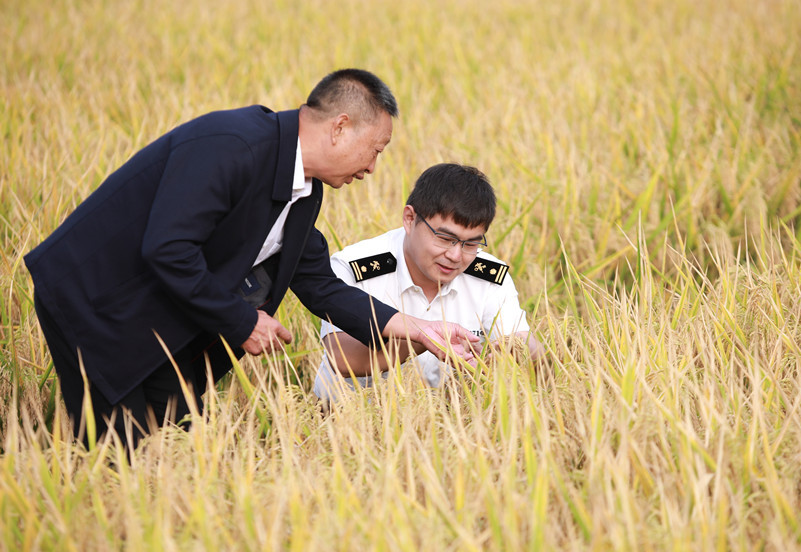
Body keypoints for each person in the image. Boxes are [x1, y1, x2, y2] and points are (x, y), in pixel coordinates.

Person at [25, 69, 479, 447]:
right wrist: (243, 322)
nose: (373, 167)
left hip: (157, 310)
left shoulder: (303, 191)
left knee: (180, 437)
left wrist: (423, 330)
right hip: (96, 299)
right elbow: (169, 249)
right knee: (119, 447)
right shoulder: (234, 145)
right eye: (376, 150)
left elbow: (322, 287)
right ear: (340, 127)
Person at [313, 163, 543, 403]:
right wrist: (427, 338)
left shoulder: (489, 278)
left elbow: (522, 345)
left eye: (471, 244)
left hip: (447, 426)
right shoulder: (355, 267)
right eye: (445, 238)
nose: (456, 256)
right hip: (347, 424)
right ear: (410, 219)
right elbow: (343, 357)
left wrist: (520, 349)